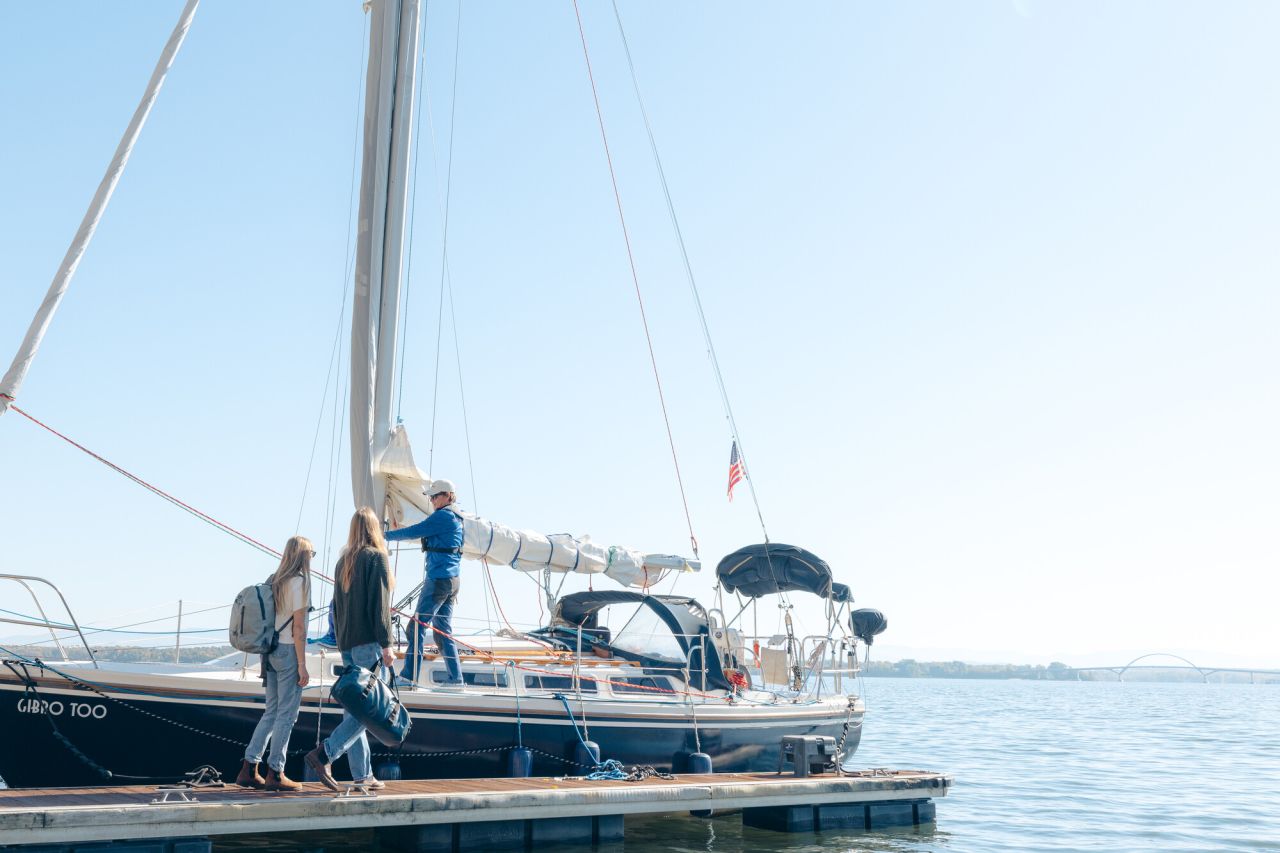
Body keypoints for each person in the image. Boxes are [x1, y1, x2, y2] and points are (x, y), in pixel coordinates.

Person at [304, 507, 395, 791]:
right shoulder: (376, 558)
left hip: (347, 645)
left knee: (356, 709)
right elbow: (380, 608)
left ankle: (362, 775)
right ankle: (325, 753)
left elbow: (337, 609)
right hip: (369, 643)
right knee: (372, 708)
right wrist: (387, 644)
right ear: (375, 529)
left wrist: (342, 641)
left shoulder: (343, 562)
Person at [236, 536, 313, 792]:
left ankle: (249, 768)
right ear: (303, 556)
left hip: (270, 651)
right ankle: (276, 773)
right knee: (286, 715)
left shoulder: (274, 580)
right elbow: (299, 628)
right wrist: (302, 664)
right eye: (311, 554)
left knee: (271, 712)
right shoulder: (299, 582)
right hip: (289, 651)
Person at [385, 478, 464, 687]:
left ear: (447, 496)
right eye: (431, 496)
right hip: (452, 581)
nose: (432, 500)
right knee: (442, 630)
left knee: (415, 628)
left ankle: (409, 677)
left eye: (435, 496)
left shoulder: (444, 516)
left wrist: (383, 535)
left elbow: (416, 531)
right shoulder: (457, 517)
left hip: (438, 580)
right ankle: (456, 679)